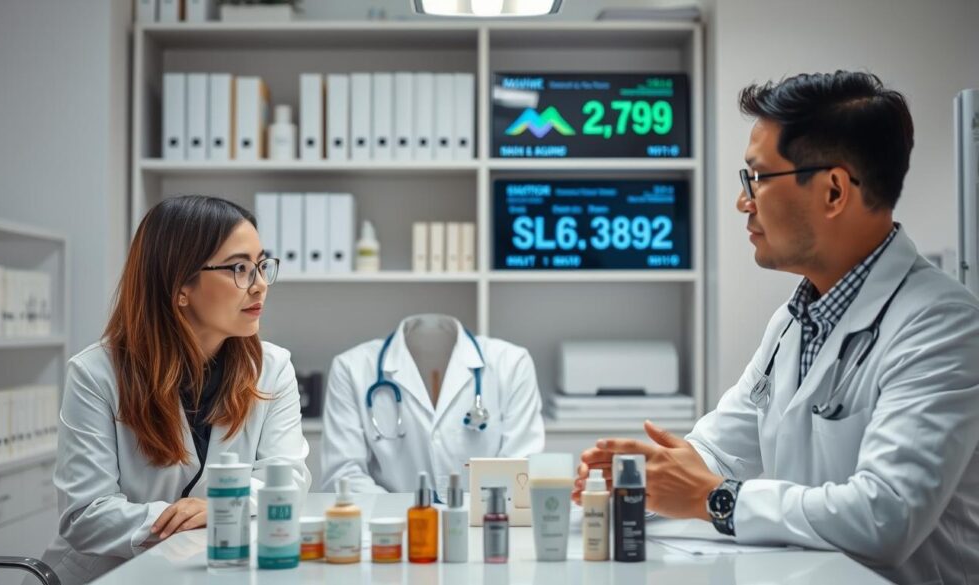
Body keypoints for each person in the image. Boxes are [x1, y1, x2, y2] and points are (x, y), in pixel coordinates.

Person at [573, 71, 979, 585]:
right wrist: (640, 476)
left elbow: (886, 516)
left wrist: (713, 497)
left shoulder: (941, 325)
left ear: (833, 191)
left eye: (758, 178)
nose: (745, 201)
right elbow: (720, 450)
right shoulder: (794, 320)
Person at [40, 196, 311, 585]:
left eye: (261, 265)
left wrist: (215, 508)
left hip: (214, 572)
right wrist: (193, 516)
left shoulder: (271, 368)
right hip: (112, 576)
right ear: (180, 285)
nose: (261, 285)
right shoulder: (96, 373)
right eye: (240, 268)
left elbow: (287, 480)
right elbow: (85, 515)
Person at [320, 314, 545, 494]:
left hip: (485, 528)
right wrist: (410, 519)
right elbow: (342, 477)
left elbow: (521, 469)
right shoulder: (351, 368)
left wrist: (471, 515)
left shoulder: (512, 363)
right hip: (391, 536)